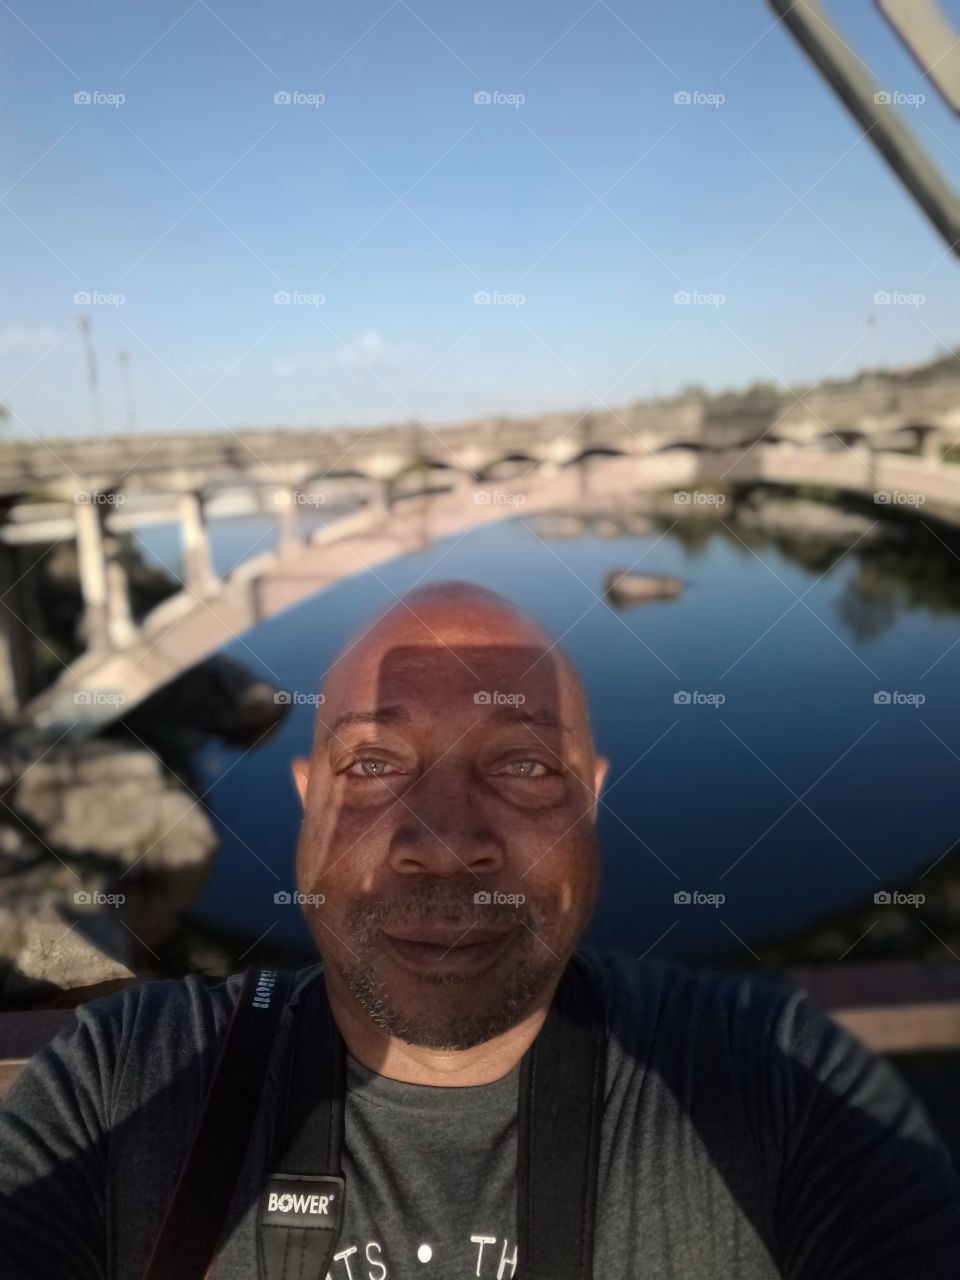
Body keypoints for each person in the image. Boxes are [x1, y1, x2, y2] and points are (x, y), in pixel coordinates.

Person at [0, 580, 958, 1279]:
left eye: (526, 768)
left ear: (594, 798)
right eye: (373, 764)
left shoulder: (773, 1078)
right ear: (305, 801)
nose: (445, 843)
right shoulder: (118, 1077)